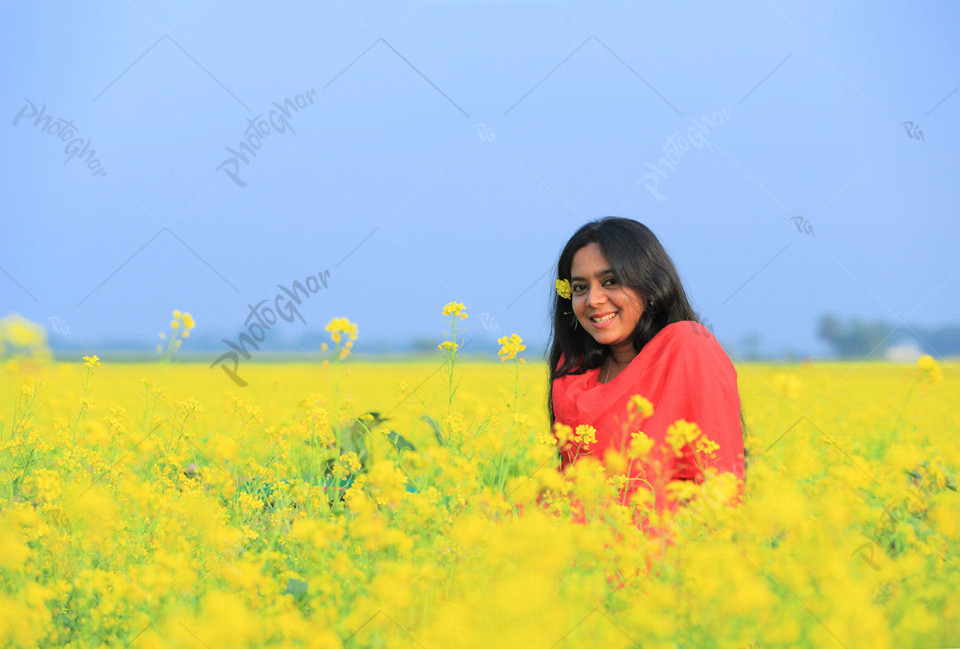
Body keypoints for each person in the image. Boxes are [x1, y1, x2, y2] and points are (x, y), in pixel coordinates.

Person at [543, 217, 747, 533]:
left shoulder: (688, 347)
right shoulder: (573, 375)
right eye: (581, 287)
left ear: (650, 286)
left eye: (610, 281)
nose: (594, 300)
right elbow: (567, 488)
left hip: (662, 565)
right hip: (578, 566)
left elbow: (720, 483)